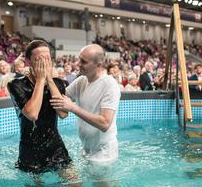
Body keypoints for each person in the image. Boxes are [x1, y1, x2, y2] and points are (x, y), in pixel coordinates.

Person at [7, 40, 74, 175]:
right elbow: (32, 115)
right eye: (39, 59)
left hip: (55, 146)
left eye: (47, 58)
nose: (44, 63)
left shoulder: (58, 83)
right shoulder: (16, 85)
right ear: (28, 61)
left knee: (74, 185)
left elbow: (63, 114)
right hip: (30, 148)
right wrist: (40, 80)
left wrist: (49, 80)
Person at [50, 44, 121, 165]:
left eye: (84, 61)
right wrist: (47, 78)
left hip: (104, 153)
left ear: (98, 65)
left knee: (102, 184)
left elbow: (105, 123)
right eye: (79, 59)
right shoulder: (81, 81)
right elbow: (61, 101)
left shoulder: (109, 85)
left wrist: (73, 107)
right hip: (86, 149)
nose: (78, 63)